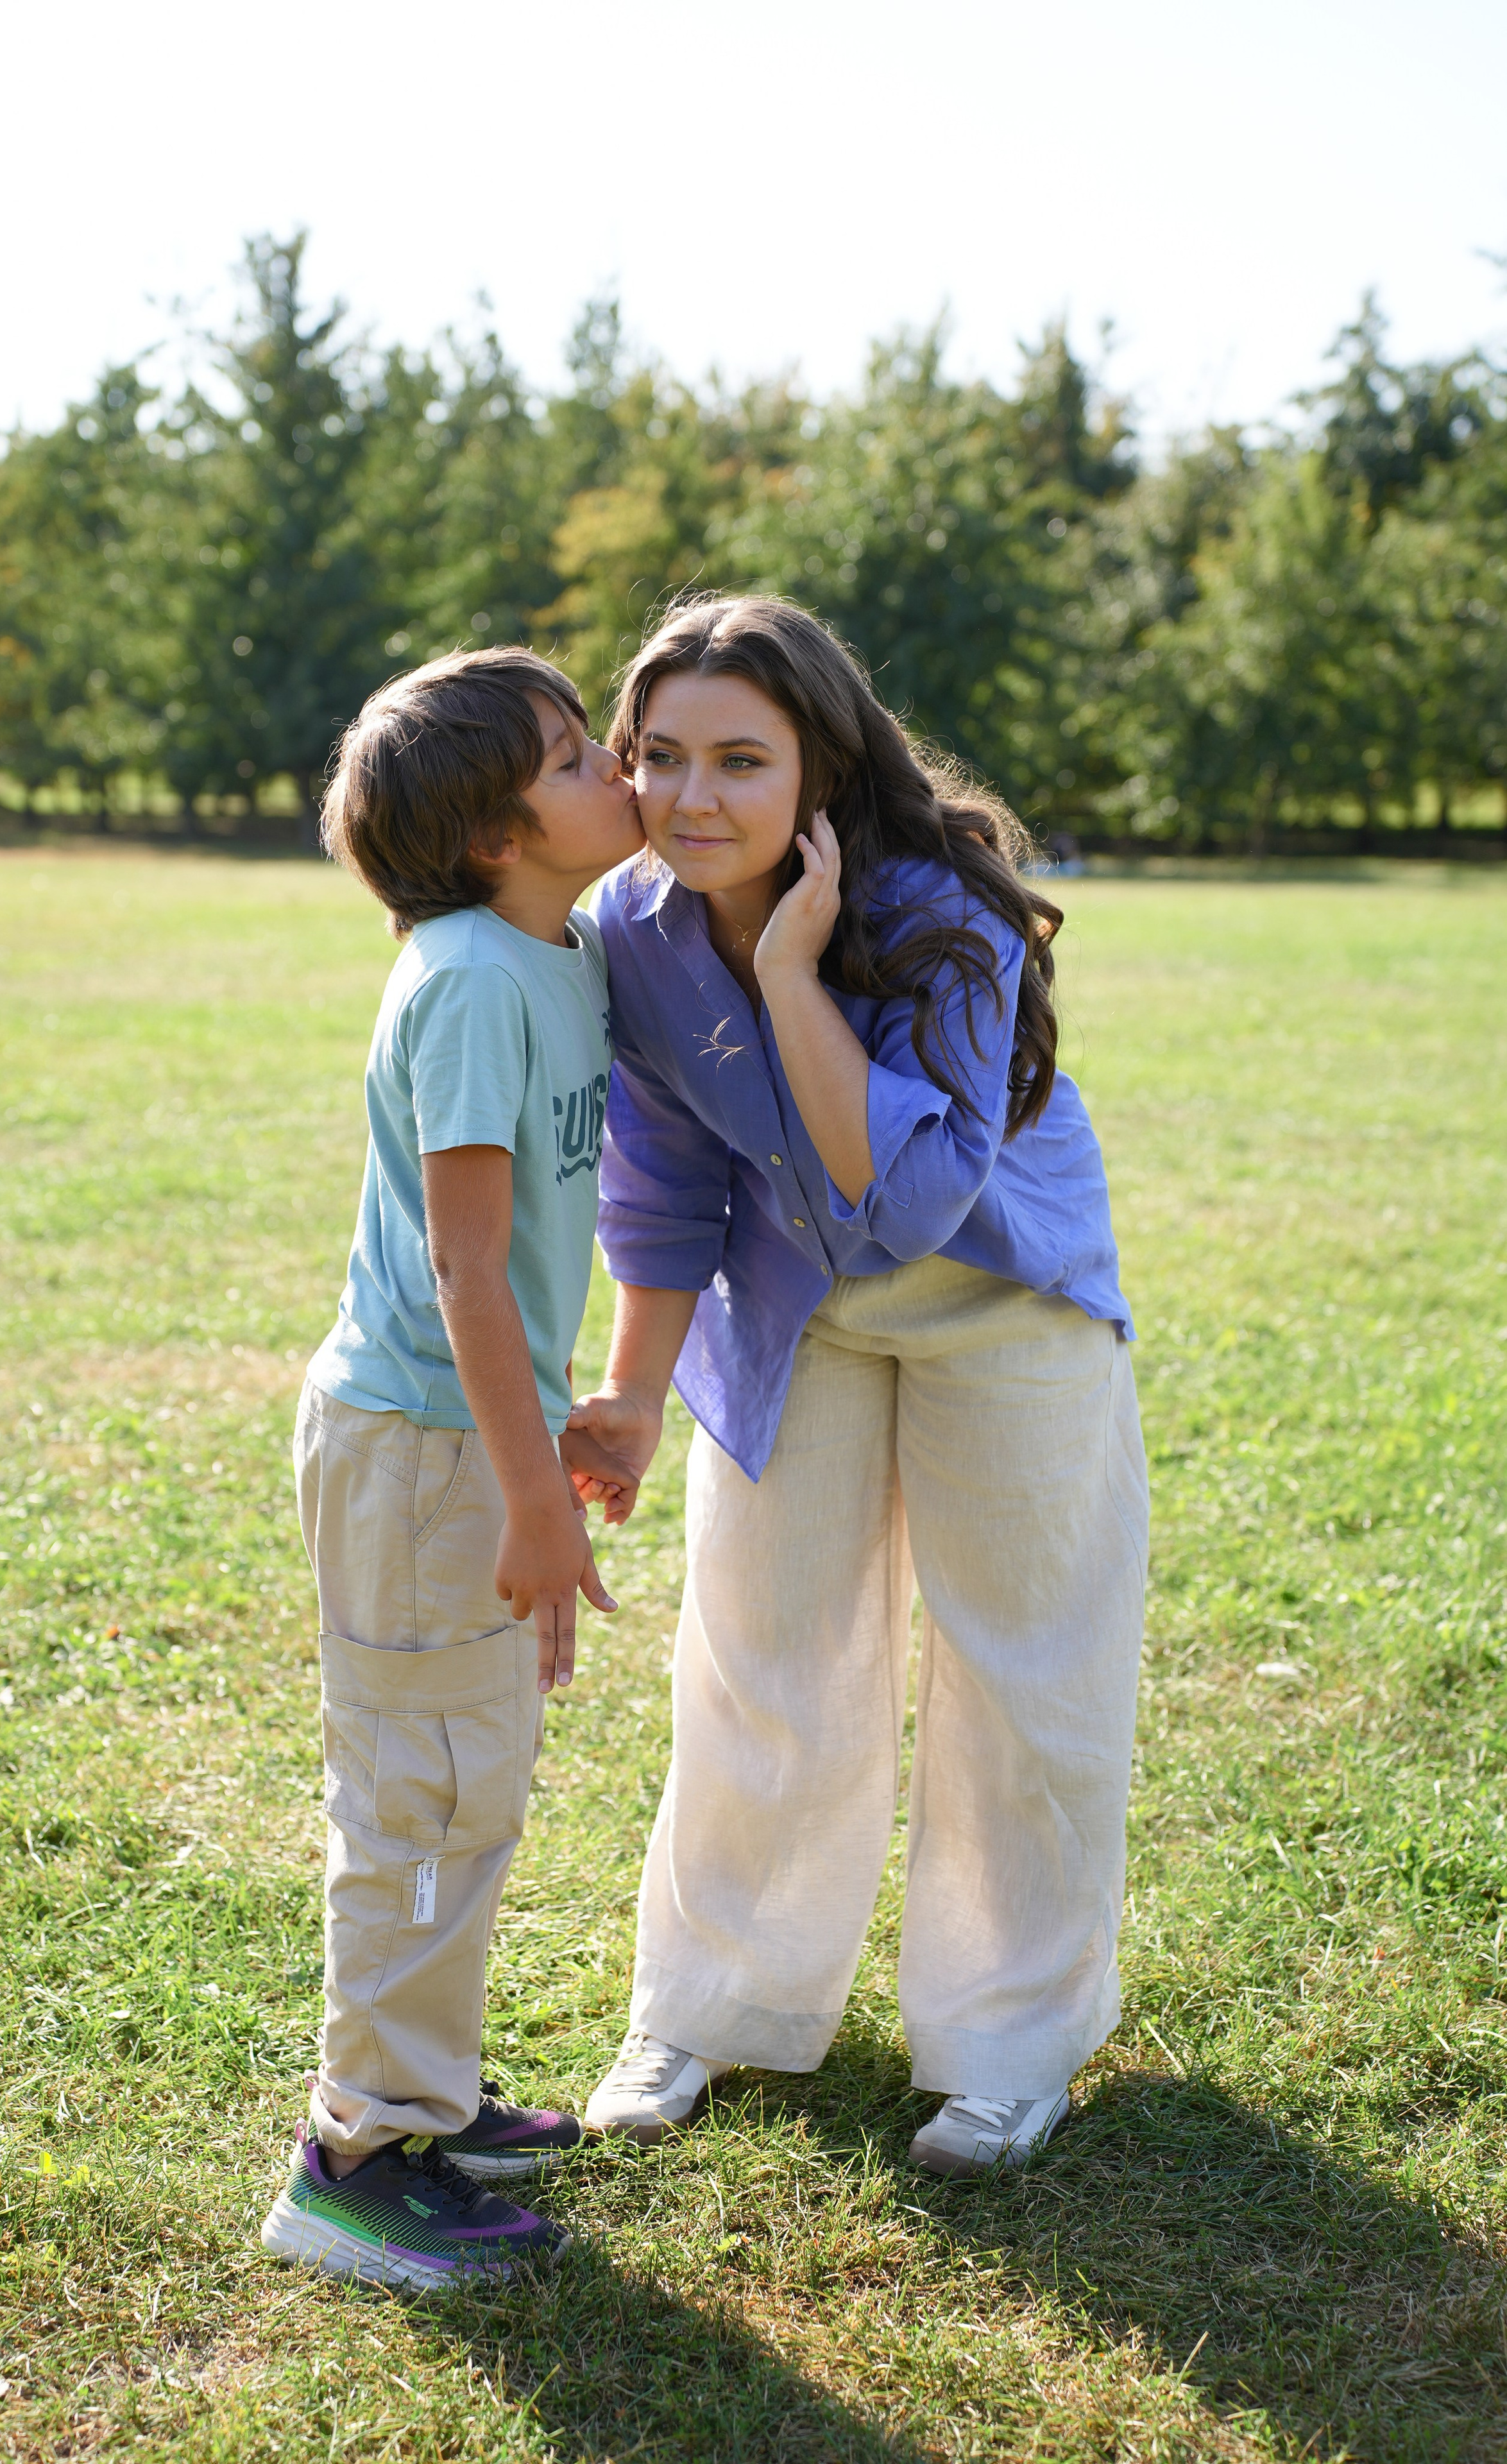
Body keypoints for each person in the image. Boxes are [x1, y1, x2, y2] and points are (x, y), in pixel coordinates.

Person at [570, 597, 1149, 2176]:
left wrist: (790, 973)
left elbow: (903, 1200)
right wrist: (628, 1392)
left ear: (819, 767)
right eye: (660, 756)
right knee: (759, 1648)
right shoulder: (625, 922)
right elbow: (664, 1181)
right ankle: (707, 2008)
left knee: (1024, 1672)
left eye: (740, 761)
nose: (691, 799)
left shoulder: (942, 917)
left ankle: (1007, 2044)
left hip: (1000, 1301)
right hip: (793, 1308)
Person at [260, 648, 643, 2289]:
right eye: (574, 757)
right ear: (499, 834)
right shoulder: (480, 977)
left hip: (458, 1435)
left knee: (463, 1776)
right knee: (422, 1791)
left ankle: (424, 2090)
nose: (614, 763)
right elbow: (467, 1272)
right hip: (425, 1453)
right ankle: (355, 2153)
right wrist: (531, 1496)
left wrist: (547, 1428)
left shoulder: (542, 952)